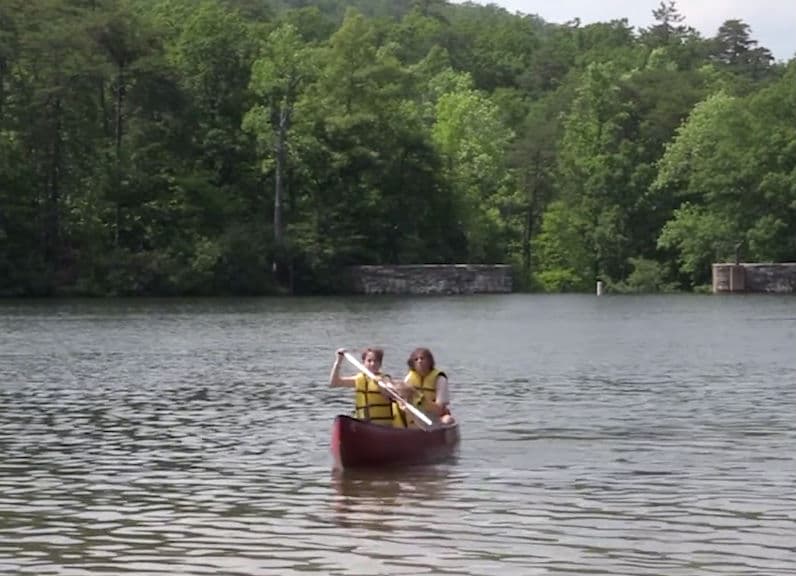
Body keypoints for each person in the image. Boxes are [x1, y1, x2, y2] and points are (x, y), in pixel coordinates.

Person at [328, 347, 401, 427]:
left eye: (376, 361)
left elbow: (390, 394)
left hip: (382, 426)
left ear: (380, 364)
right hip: (363, 424)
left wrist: (379, 385)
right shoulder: (360, 379)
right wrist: (338, 361)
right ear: (363, 363)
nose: (372, 364)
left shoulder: (385, 379)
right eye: (369, 361)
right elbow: (334, 383)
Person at [400, 347, 454, 426]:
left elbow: (439, 410)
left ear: (430, 361)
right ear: (413, 364)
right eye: (416, 359)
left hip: (433, 417)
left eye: (422, 358)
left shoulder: (440, 379)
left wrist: (417, 396)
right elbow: (402, 401)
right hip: (414, 416)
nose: (420, 361)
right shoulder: (409, 378)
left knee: (448, 420)